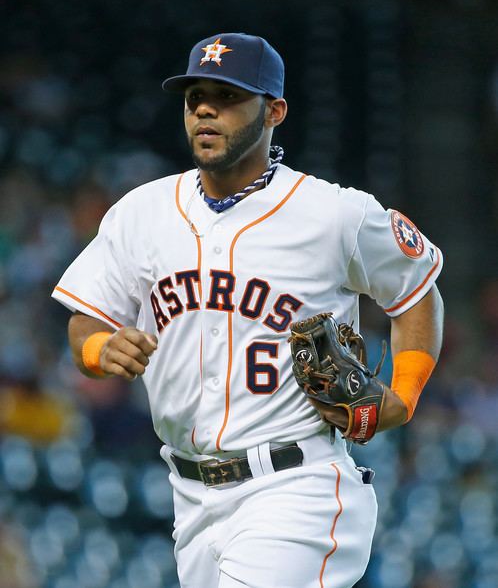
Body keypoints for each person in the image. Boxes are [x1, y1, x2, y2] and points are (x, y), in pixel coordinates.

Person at [52, 33, 444, 588]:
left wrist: (404, 396)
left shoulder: (333, 214)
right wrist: (98, 347)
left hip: (297, 486)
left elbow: (418, 289)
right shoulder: (141, 213)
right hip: (189, 498)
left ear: (275, 110)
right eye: (195, 97)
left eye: (228, 96)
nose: (205, 109)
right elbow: (84, 320)